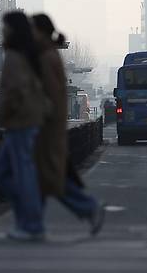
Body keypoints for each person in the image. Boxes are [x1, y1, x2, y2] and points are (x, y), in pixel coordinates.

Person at [32, 13, 106, 236]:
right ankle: (32, 221)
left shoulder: (47, 57)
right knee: (46, 177)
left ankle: (33, 222)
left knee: (47, 176)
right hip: (47, 126)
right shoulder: (47, 55)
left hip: (46, 126)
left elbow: (52, 95)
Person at [0, 11, 50, 242]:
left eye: (5, 27)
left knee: (18, 173)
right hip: (27, 120)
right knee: (7, 172)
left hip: (20, 121)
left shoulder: (15, 56)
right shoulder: (28, 54)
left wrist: (5, 112)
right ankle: (27, 219)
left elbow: (15, 91)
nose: (2, 31)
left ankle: (31, 223)